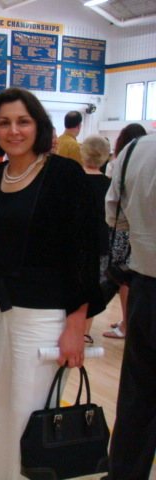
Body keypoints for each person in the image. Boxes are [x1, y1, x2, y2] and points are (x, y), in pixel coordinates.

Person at [0, 87, 104, 480]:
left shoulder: (64, 175)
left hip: (43, 315)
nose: (14, 130)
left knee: (29, 413)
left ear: (38, 126)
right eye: (4, 122)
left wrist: (77, 324)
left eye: (23, 121)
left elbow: (84, 253)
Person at [105, 133, 156, 480]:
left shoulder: (136, 149)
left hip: (146, 287)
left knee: (138, 393)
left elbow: (115, 217)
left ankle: (124, 474)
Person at [103, 123, 147, 340]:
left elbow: (113, 204)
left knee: (125, 279)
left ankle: (127, 325)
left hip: (127, 229)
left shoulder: (123, 159)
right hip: (140, 229)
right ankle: (128, 322)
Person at [80, 135, 111, 344]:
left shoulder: (73, 181)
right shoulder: (109, 185)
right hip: (100, 244)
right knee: (93, 286)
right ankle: (84, 331)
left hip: (73, 243)